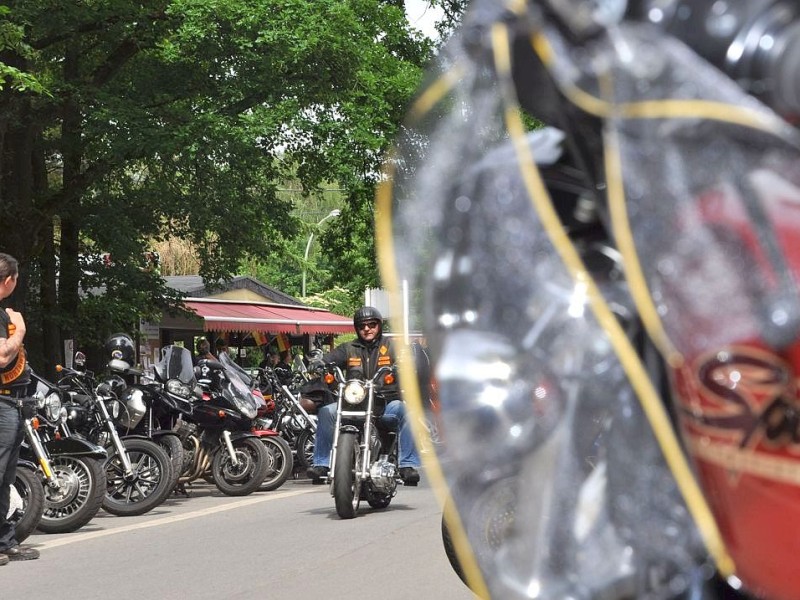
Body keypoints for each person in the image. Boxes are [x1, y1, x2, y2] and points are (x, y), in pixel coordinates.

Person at [306, 306, 421, 485]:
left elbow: (407, 356)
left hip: (385, 402)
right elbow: (329, 358)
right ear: (357, 328)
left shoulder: (391, 346)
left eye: (372, 324)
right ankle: (322, 463)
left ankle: (407, 465)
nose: (367, 329)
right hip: (354, 403)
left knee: (406, 411)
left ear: (379, 325)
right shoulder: (349, 348)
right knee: (327, 412)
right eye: (362, 326)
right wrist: (319, 363)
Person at [0, 253, 39, 563]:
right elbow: (1, 357)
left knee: (6, 475)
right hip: (2, 401)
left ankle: (4, 540)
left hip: (12, 400)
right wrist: (20, 330)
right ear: (9, 280)